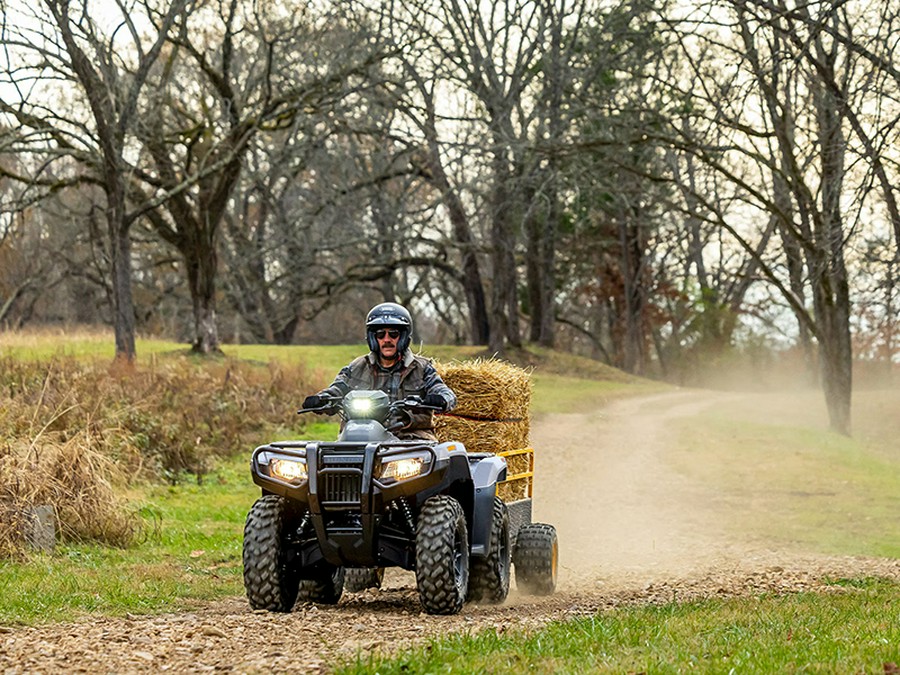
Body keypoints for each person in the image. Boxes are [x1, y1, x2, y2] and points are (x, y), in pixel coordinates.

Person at [301, 302, 456, 441]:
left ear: (403, 337)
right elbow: (337, 389)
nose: (387, 339)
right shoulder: (357, 367)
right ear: (373, 338)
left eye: (393, 334)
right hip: (360, 437)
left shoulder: (422, 368)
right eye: (380, 335)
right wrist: (321, 399)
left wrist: (440, 399)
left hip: (410, 440)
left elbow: (445, 393)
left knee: (428, 463)